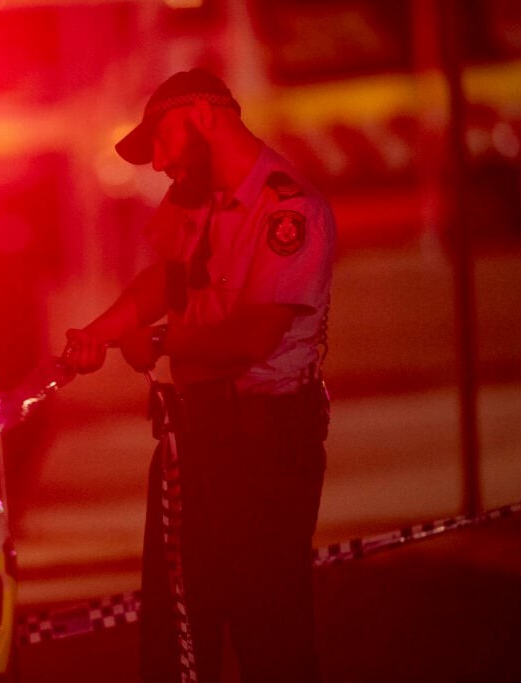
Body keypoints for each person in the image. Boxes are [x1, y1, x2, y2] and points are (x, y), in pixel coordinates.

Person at [62, 68, 335, 683]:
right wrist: (99, 334)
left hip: (265, 444)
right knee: (179, 626)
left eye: (163, 141)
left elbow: (255, 336)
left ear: (205, 119)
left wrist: (160, 341)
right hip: (193, 439)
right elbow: (165, 279)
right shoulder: (194, 200)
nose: (159, 163)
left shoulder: (289, 209)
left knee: (270, 632)